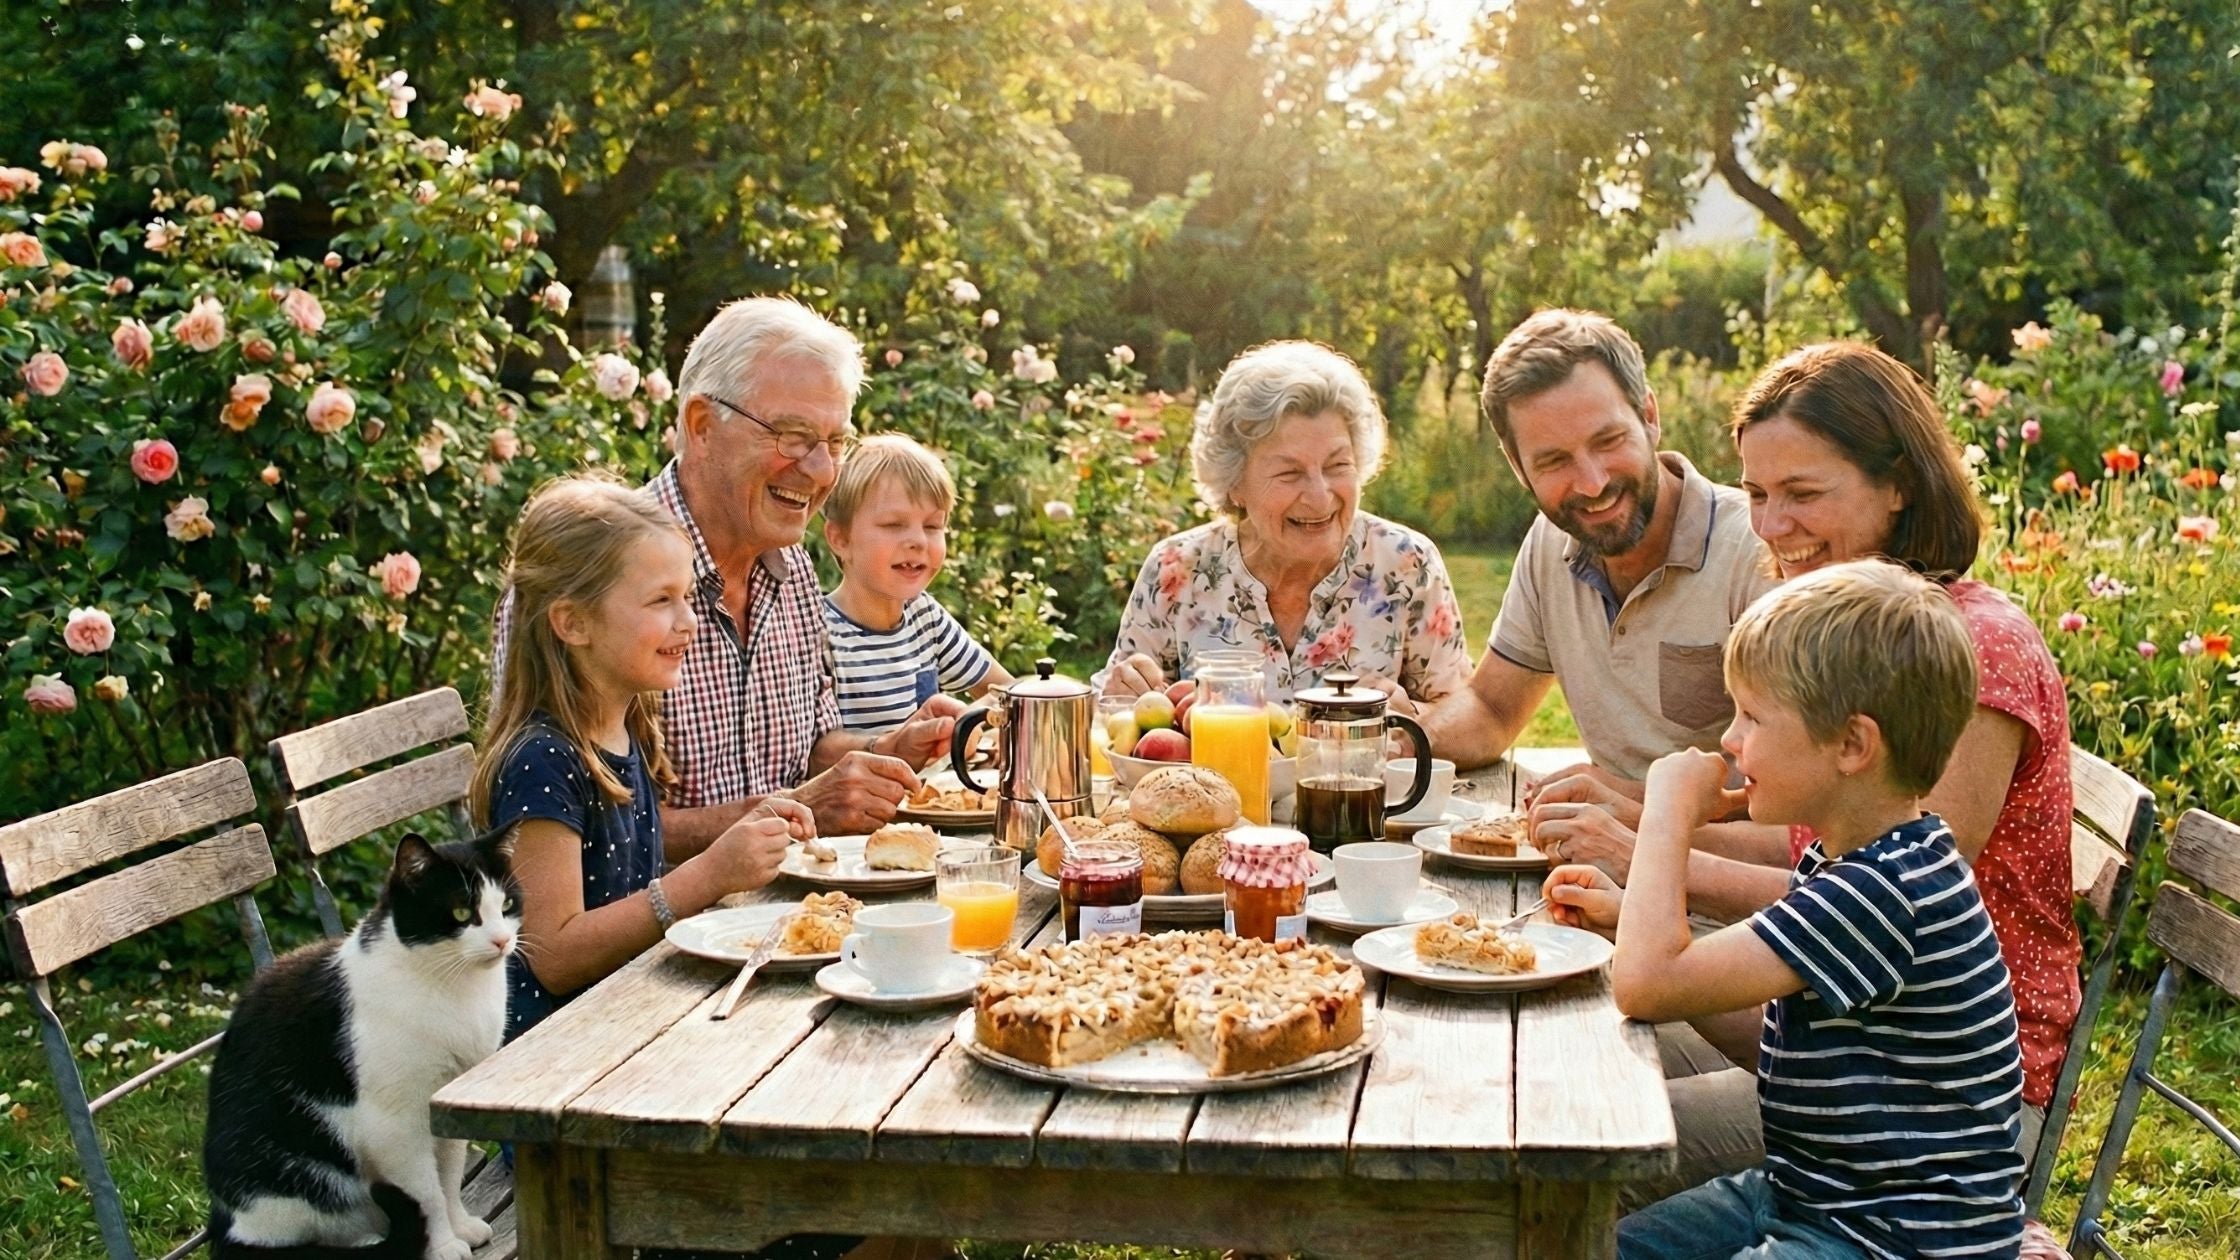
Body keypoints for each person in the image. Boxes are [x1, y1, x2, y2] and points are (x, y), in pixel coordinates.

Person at [1533, 342, 2082, 1200]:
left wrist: (1658, 859)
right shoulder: (1852, 636)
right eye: (1755, 493)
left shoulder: (1973, 649)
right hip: (1825, 1029)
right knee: (1567, 1044)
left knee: (1575, 1146)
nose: (1771, 526)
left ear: (1898, 485)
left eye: (1803, 494)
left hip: (1929, 1103)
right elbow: (1809, 858)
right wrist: (1646, 839)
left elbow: (1869, 897)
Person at [1547, 560, 2026, 1258]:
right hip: (1813, 1194)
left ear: (1853, 746)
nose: (1730, 742)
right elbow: (1718, 997)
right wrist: (1629, 915)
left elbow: (1648, 984)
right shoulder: (1854, 862)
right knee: (1600, 1248)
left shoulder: (1879, 892)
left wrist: (1666, 811)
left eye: (1753, 716)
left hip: (1895, 1239)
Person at [497, 297, 963, 839]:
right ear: (701, 426)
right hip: (656, 920)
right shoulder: (588, 579)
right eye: (792, 437)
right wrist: (792, 810)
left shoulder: (790, 568)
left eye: (835, 442)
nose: (820, 470)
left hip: (793, 909)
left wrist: (886, 750)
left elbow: (808, 749)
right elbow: (567, 829)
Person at [471, 477, 799, 1041]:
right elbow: (554, 955)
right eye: (660, 600)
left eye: (689, 596)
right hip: (558, 1057)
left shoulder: (630, 723)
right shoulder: (543, 761)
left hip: (627, 1013)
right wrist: (708, 874)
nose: (689, 620)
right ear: (572, 622)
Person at [1418, 309, 1772, 778]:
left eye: (1608, 440)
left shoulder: (1758, 550)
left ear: (1649, 416)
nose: (1591, 483)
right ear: (1517, 465)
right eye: (1554, 461)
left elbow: (1800, 809)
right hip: (1602, 844)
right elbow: (1492, 708)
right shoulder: (1551, 540)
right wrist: (1406, 741)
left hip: (1722, 849)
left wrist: (1623, 809)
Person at [1102, 339, 1471, 708]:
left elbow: (1462, 715)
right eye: (1289, 472)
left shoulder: (1408, 564)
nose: (1320, 496)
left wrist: (1411, 719)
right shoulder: (1175, 570)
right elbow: (1119, 714)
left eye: (1336, 465)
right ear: (1235, 484)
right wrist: (1124, 693)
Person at [821, 434, 1012, 739]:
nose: (918, 541)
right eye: (893, 525)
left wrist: (966, 722)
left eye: (933, 526)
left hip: (930, 788)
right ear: (840, 539)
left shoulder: (925, 617)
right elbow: (817, 750)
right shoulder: (822, 634)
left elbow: (1005, 690)